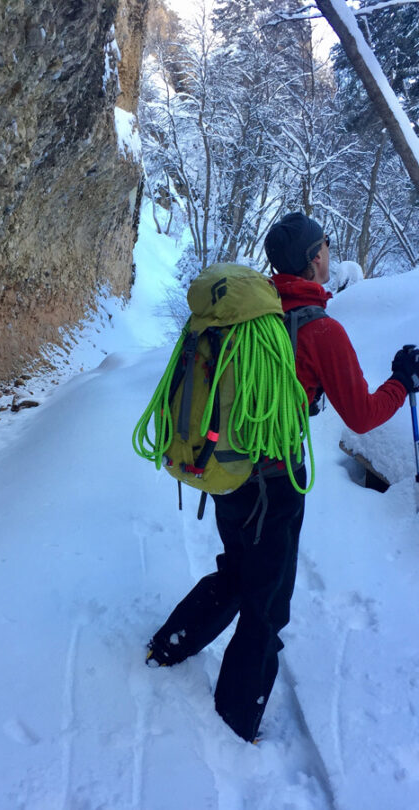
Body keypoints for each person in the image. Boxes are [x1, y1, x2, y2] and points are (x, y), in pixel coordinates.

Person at [146, 211, 419, 743]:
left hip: (227, 472)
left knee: (236, 570)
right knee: (268, 602)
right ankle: (235, 718)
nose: (329, 254)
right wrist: (402, 381)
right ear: (314, 258)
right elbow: (362, 415)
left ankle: (169, 645)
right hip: (276, 483)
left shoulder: (254, 315)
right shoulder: (321, 329)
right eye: (325, 247)